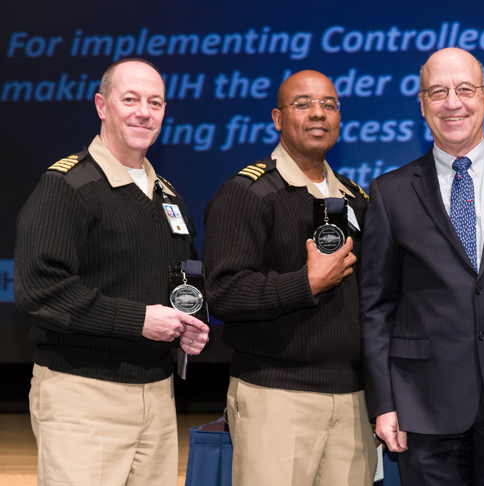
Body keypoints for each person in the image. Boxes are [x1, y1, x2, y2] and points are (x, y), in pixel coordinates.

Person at [360, 47, 484, 485]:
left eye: (464, 89)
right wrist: (385, 402)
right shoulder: (389, 192)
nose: (453, 102)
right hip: (424, 405)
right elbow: (375, 307)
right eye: (438, 91)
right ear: (422, 103)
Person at [15, 58, 210, 485]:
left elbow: (179, 278)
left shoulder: (167, 195)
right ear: (102, 106)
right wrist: (139, 320)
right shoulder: (67, 186)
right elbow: (39, 288)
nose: (144, 111)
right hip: (83, 393)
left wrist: (188, 323)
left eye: (155, 102)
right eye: (131, 99)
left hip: (157, 395)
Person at [203, 70, 376, 486]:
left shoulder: (355, 198)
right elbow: (223, 292)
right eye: (303, 104)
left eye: (329, 104)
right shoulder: (248, 193)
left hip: (353, 401)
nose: (318, 113)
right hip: (276, 399)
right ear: (278, 118)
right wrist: (306, 284)